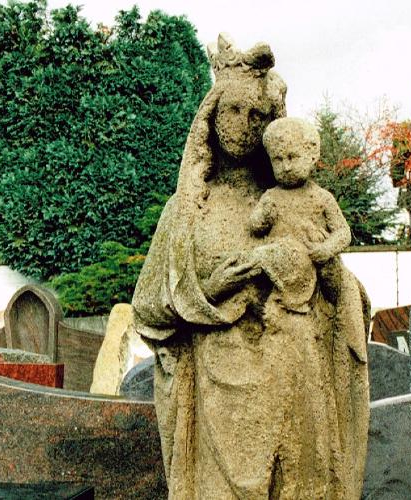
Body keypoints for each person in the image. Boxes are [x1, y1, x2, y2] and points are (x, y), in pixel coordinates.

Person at [132, 33, 369, 500]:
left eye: (258, 116)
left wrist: (326, 271)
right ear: (212, 114)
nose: (243, 125)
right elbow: (149, 308)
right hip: (220, 394)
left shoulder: (298, 202)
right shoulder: (187, 211)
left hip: (294, 374)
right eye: (234, 111)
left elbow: (343, 293)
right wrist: (217, 285)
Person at [249, 117, 351, 311]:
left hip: (315, 267)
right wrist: (263, 218)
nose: (286, 167)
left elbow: (343, 233)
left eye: (292, 157)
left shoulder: (321, 197)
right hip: (280, 271)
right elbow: (254, 225)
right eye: (278, 160)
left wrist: (327, 249)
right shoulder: (271, 197)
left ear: (312, 157)